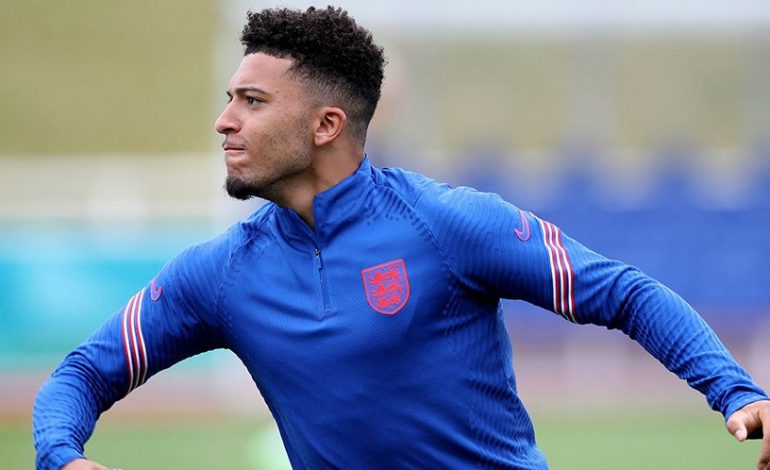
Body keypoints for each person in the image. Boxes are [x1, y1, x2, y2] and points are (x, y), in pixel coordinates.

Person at [33, 6, 770, 470]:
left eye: (252, 101)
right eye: (229, 99)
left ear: (326, 125)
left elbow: (624, 293)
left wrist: (736, 392)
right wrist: (62, 456)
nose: (225, 120)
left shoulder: (446, 224)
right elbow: (84, 373)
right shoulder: (221, 273)